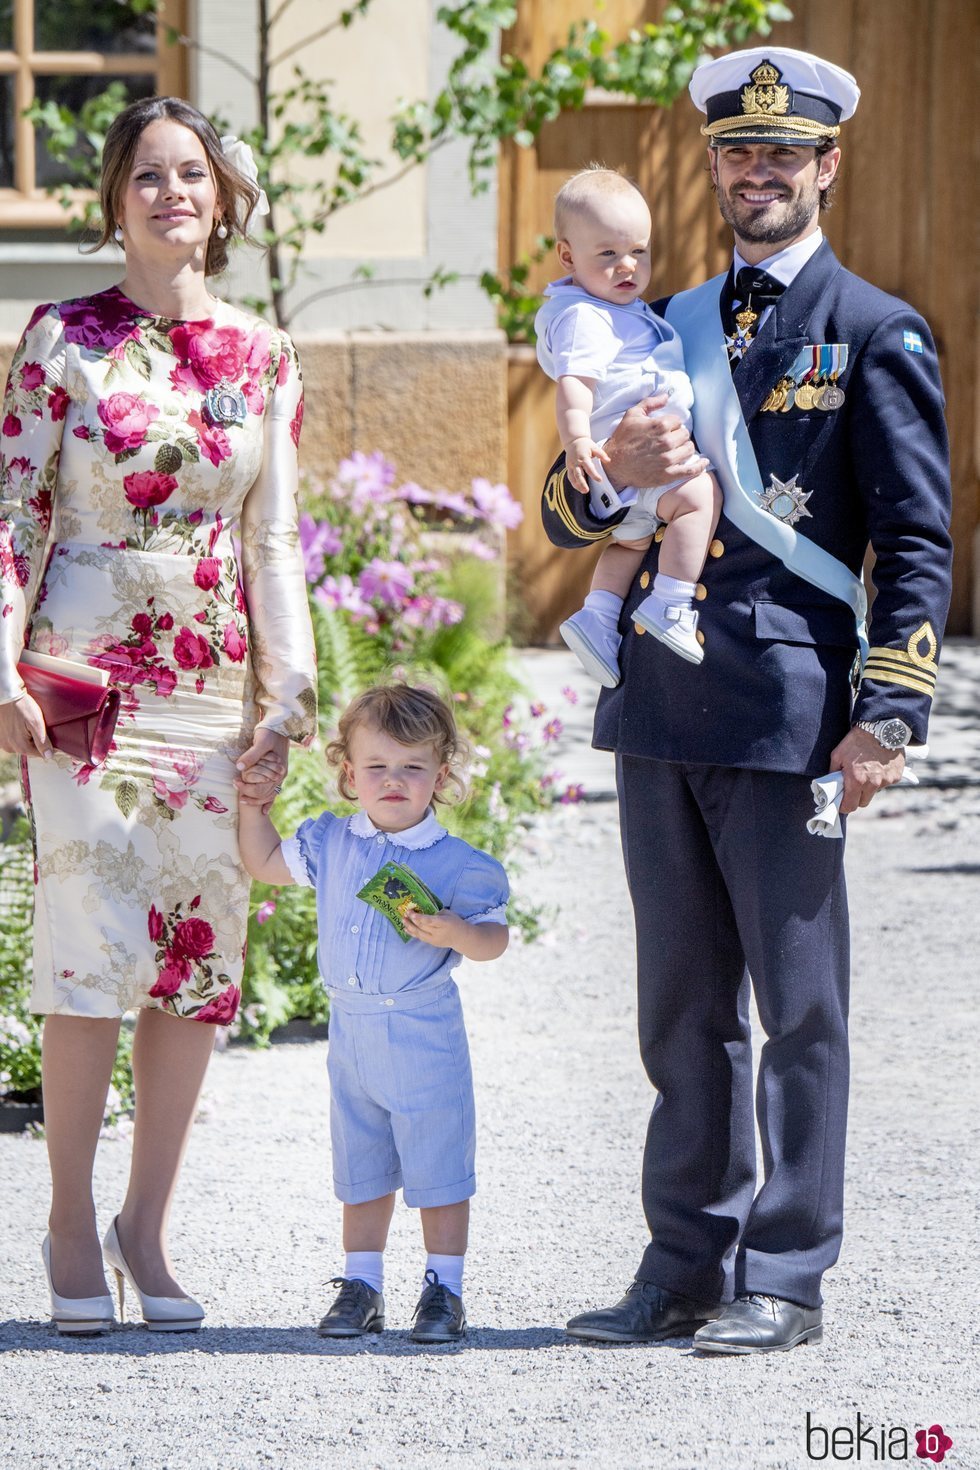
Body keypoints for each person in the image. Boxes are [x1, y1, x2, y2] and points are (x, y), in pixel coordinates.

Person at [541, 47, 953, 1353]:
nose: (758, 171)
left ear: (828, 164)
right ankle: (681, 1263)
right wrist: (616, 475)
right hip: (662, 703)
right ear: (714, 164)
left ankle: (782, 1271)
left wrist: (887, 711)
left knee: (799, 1009)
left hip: (787, 706)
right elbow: (575, 506)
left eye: (784, 152)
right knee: (680, 1009)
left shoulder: (874, 329)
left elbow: (919, 538)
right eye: (737, 151)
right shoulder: (651, 321)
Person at [0, 97, 317, 1333]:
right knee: (86, 941)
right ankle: (70, 1221)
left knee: (195, 960)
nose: (171, 192)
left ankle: (148, 1227)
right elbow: (15, 515)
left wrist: (285, 694)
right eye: (147, 174)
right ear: (114, 199)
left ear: (221, 200)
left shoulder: (265, 356)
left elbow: (274, 538)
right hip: (80, 685)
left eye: (191, 174)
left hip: (209, 693)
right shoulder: (59, 341)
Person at [238, 682, 509, 1343]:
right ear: (348, 772)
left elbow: (494, 939)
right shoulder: (330, 842)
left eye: (412, 768)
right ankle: (361, 1284)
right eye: (377, 767)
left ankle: (445, 1290)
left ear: (440, 777)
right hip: (351, 1032)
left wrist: (457, 934)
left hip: (424, 1032)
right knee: (361, 1162)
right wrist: (252, 806)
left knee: (438, 1161)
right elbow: (266, 863)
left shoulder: (457, 864)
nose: (394, 781)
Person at [536, 166, 722, 677]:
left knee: (630, 541)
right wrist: (589, 449)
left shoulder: (633, 312)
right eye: (609, 255)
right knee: (700, 496)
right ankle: (671, 602)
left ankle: (597, 617)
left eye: (639, 252)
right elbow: (573, 385)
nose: (627, 266)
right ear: (568, 256)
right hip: (647, 476)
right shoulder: (593, 316)